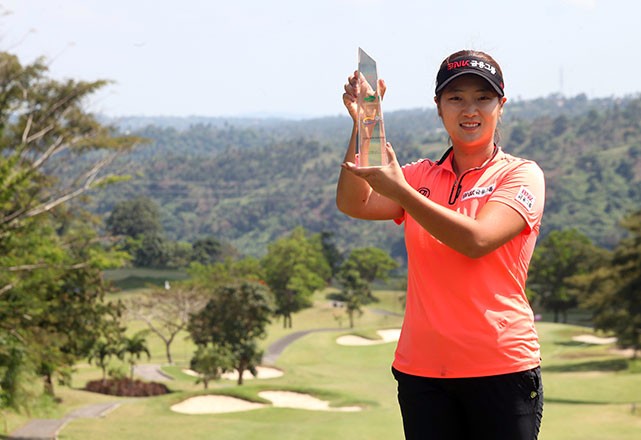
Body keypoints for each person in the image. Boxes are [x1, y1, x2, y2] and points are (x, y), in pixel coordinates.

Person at [336, 50, 545, 440]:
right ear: (438, 107)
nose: (470, 109)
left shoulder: (520, 175)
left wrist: (402, 191)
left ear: (501, 105)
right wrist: (365, 121)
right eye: (456, 97)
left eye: (483, 97)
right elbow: (354, 202)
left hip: (500, 368)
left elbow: (477, 239)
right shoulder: (420, 175)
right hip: (422, 372)